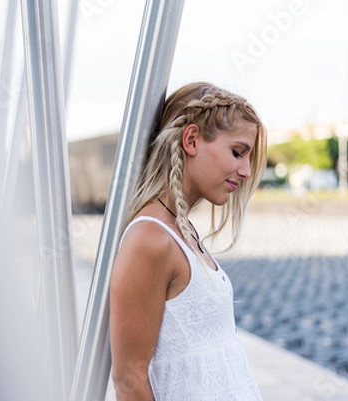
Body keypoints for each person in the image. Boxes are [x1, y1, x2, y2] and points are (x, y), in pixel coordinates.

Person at [109, 82, 267, 400]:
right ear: (191, 140)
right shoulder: (151, 239)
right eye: (237, 152)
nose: (247, 171)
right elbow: (128, 379)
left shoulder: (181, 229)